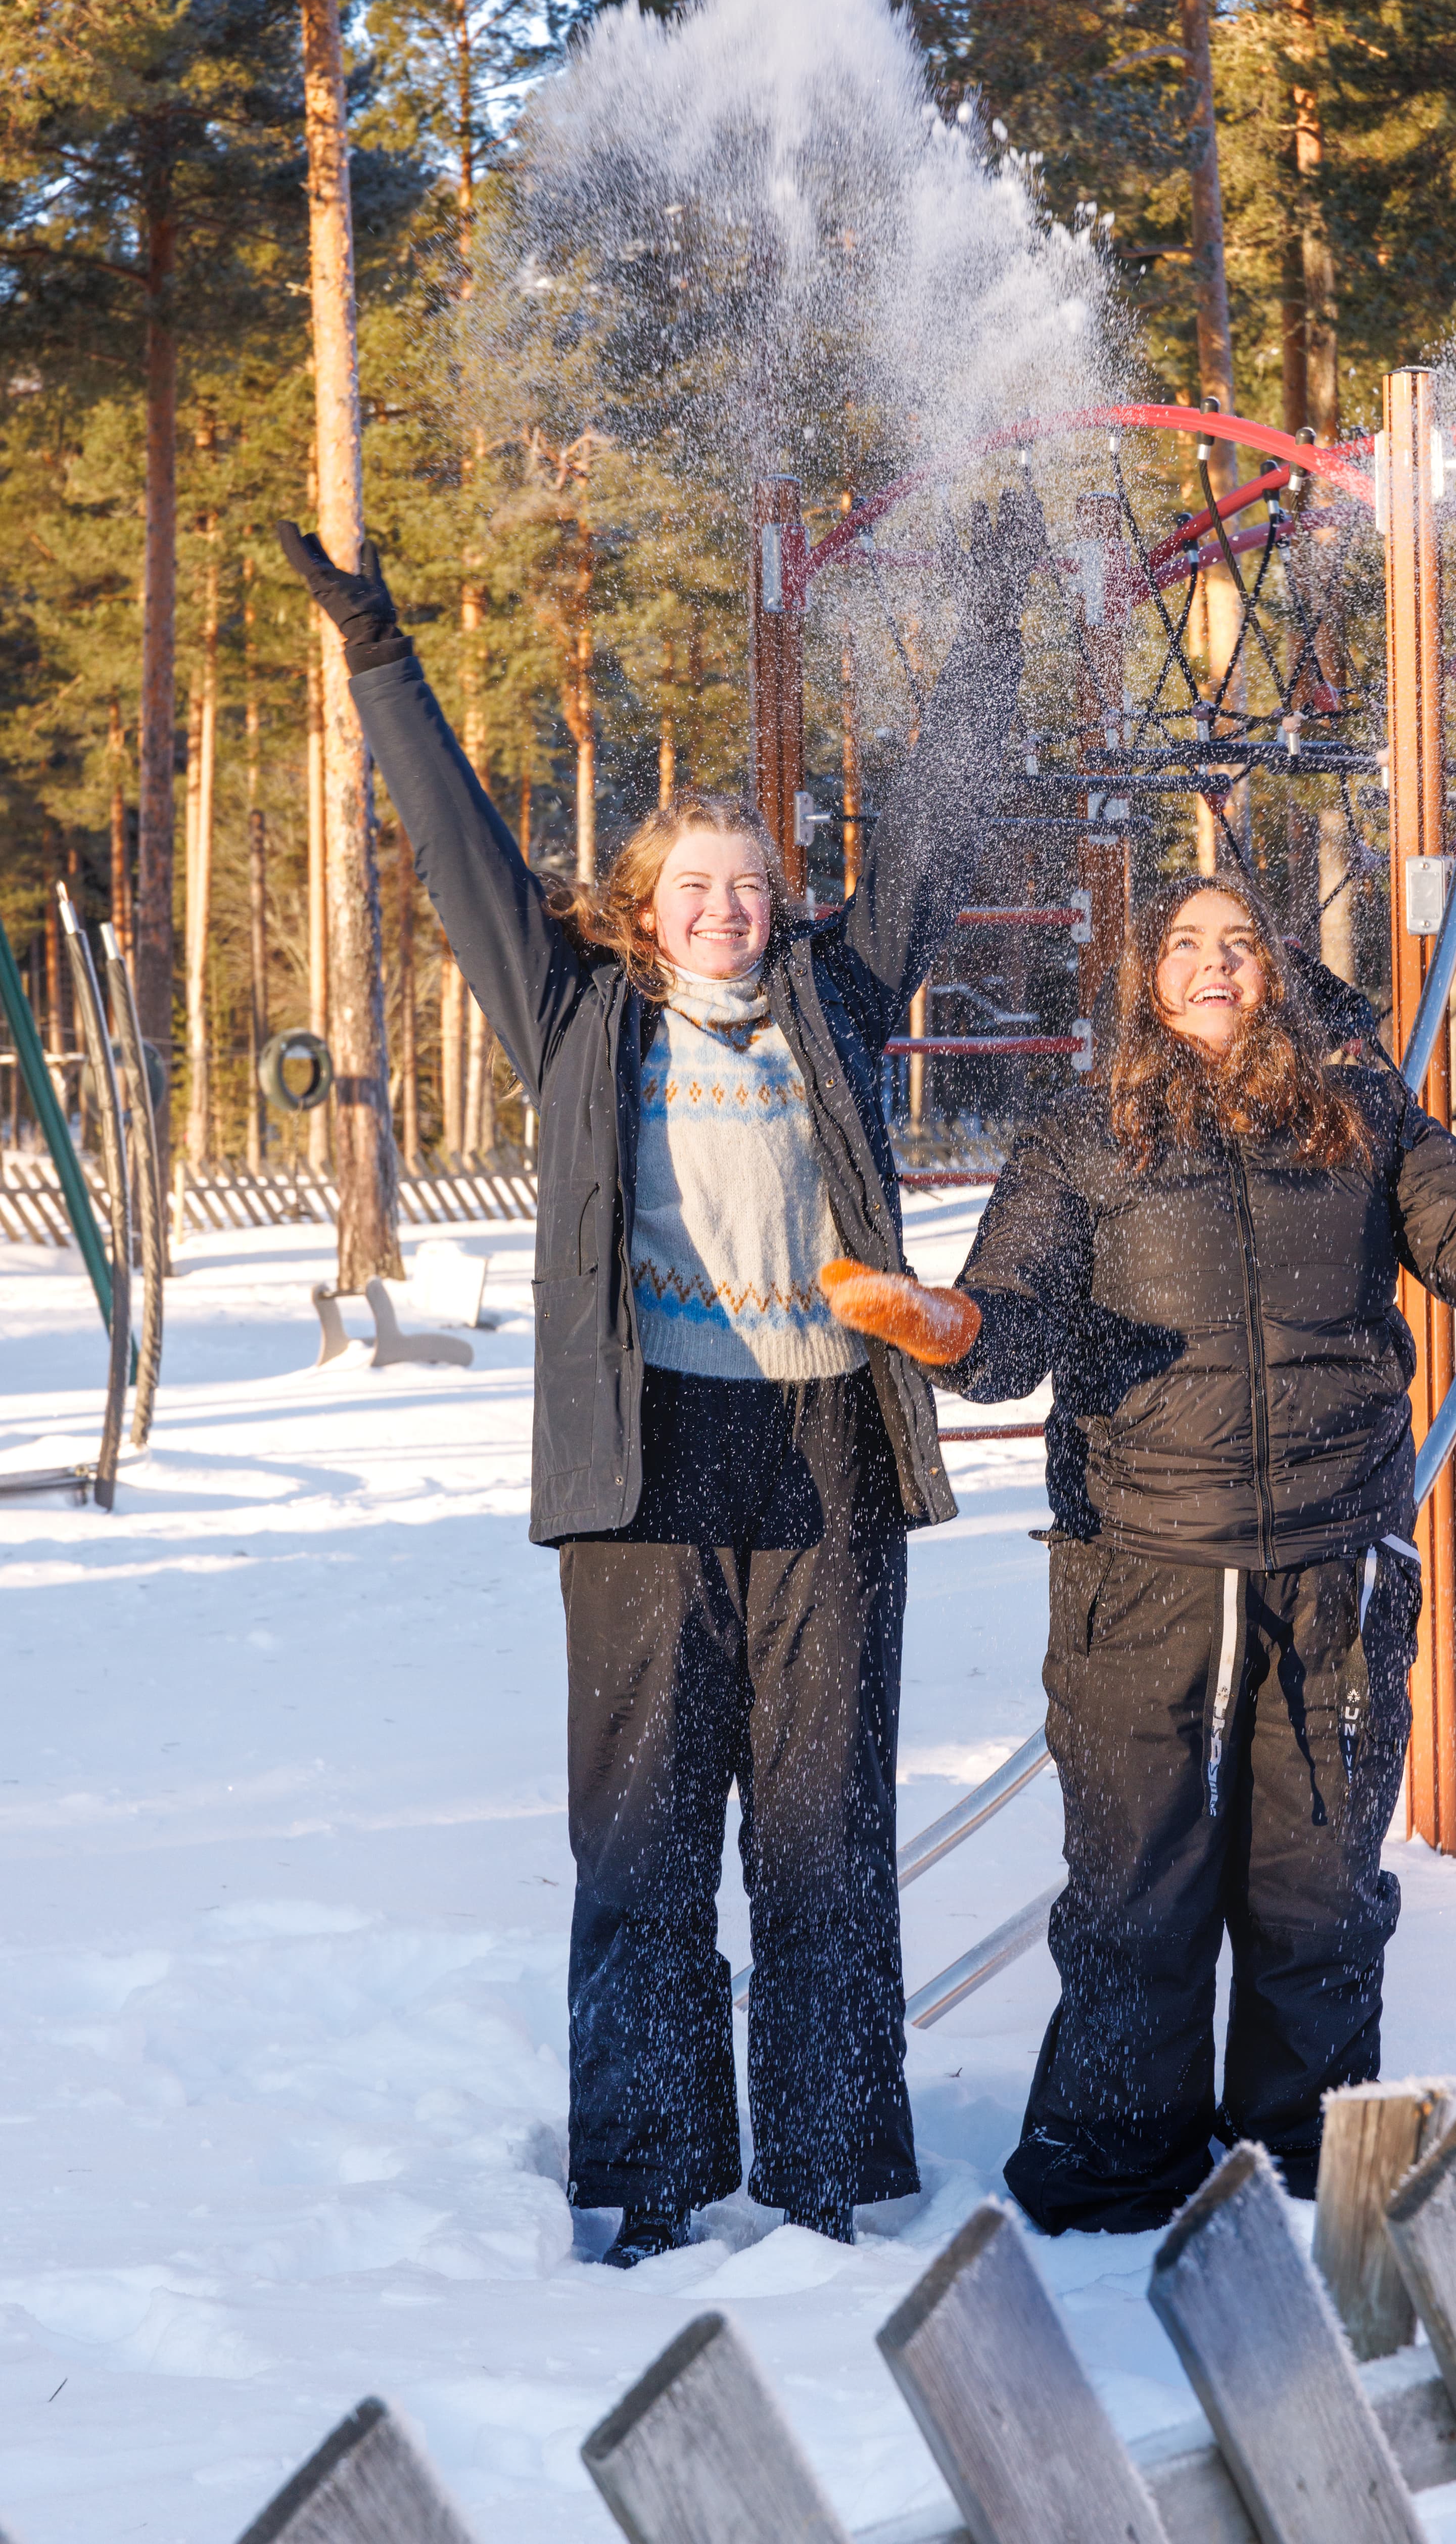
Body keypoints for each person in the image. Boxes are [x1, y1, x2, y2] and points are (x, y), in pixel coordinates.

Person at [825, 869, 1456, 2235]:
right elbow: (1009, 1328)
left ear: (1279, 976)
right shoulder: (1080, 1137)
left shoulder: (1364, 1125)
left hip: (1336, 1574)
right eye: (1186, 945)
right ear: (1147, 980)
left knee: (1321, 1907)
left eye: (1241, 944)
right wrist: (942, 1326)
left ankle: (1306, 2185)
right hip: (1142, 1574)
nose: (1217, 965)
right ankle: (1112, 2196)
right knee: (1138, 1904)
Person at [276, 496, 1037, 2264]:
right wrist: (381, 650)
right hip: (644, 1462)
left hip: (827, 1447)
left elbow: (922, 832)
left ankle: (833, 2170)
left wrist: (992, 622)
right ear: (643, 908)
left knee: (826, 1831)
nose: (726, 908)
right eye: (693, 886)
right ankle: (645, 2174)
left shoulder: (837, 1002)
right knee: (641, 1839)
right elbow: (463, 845)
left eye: (752, 884)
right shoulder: (576, 1014)